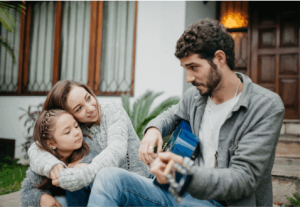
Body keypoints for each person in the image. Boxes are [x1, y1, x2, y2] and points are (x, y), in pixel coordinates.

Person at [85, 18, 285, 207]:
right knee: (109, 176)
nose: (189, 77)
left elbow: (243, 180)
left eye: (194, 67)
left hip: (219, 202)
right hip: (178, 193)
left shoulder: (264, 106)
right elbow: (170, 115)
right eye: (185, 68)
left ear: (219, 58)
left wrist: (182, 175)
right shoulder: (196, 96)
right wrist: (153, 130)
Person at [25, 80, 151, 206]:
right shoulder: (76, 126)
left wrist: (86, 173)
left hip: (136, 187)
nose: (91, 108)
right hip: (97, 190)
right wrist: (53, 165)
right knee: (60, 201)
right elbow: (36, 148)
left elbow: (117, 149)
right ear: (67, 114)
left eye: (88, 98)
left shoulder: (112, 111)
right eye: (79, 108)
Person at [20, 109, 99, 207]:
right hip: (63, 201)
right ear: (51, 143)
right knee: (59, 201)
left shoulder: (89, 151)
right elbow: (27, 190)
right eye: (67, 132)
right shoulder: (44, 161)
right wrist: (42, 197)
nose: (77, 132)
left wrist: (87, 170)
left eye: (76, 126)